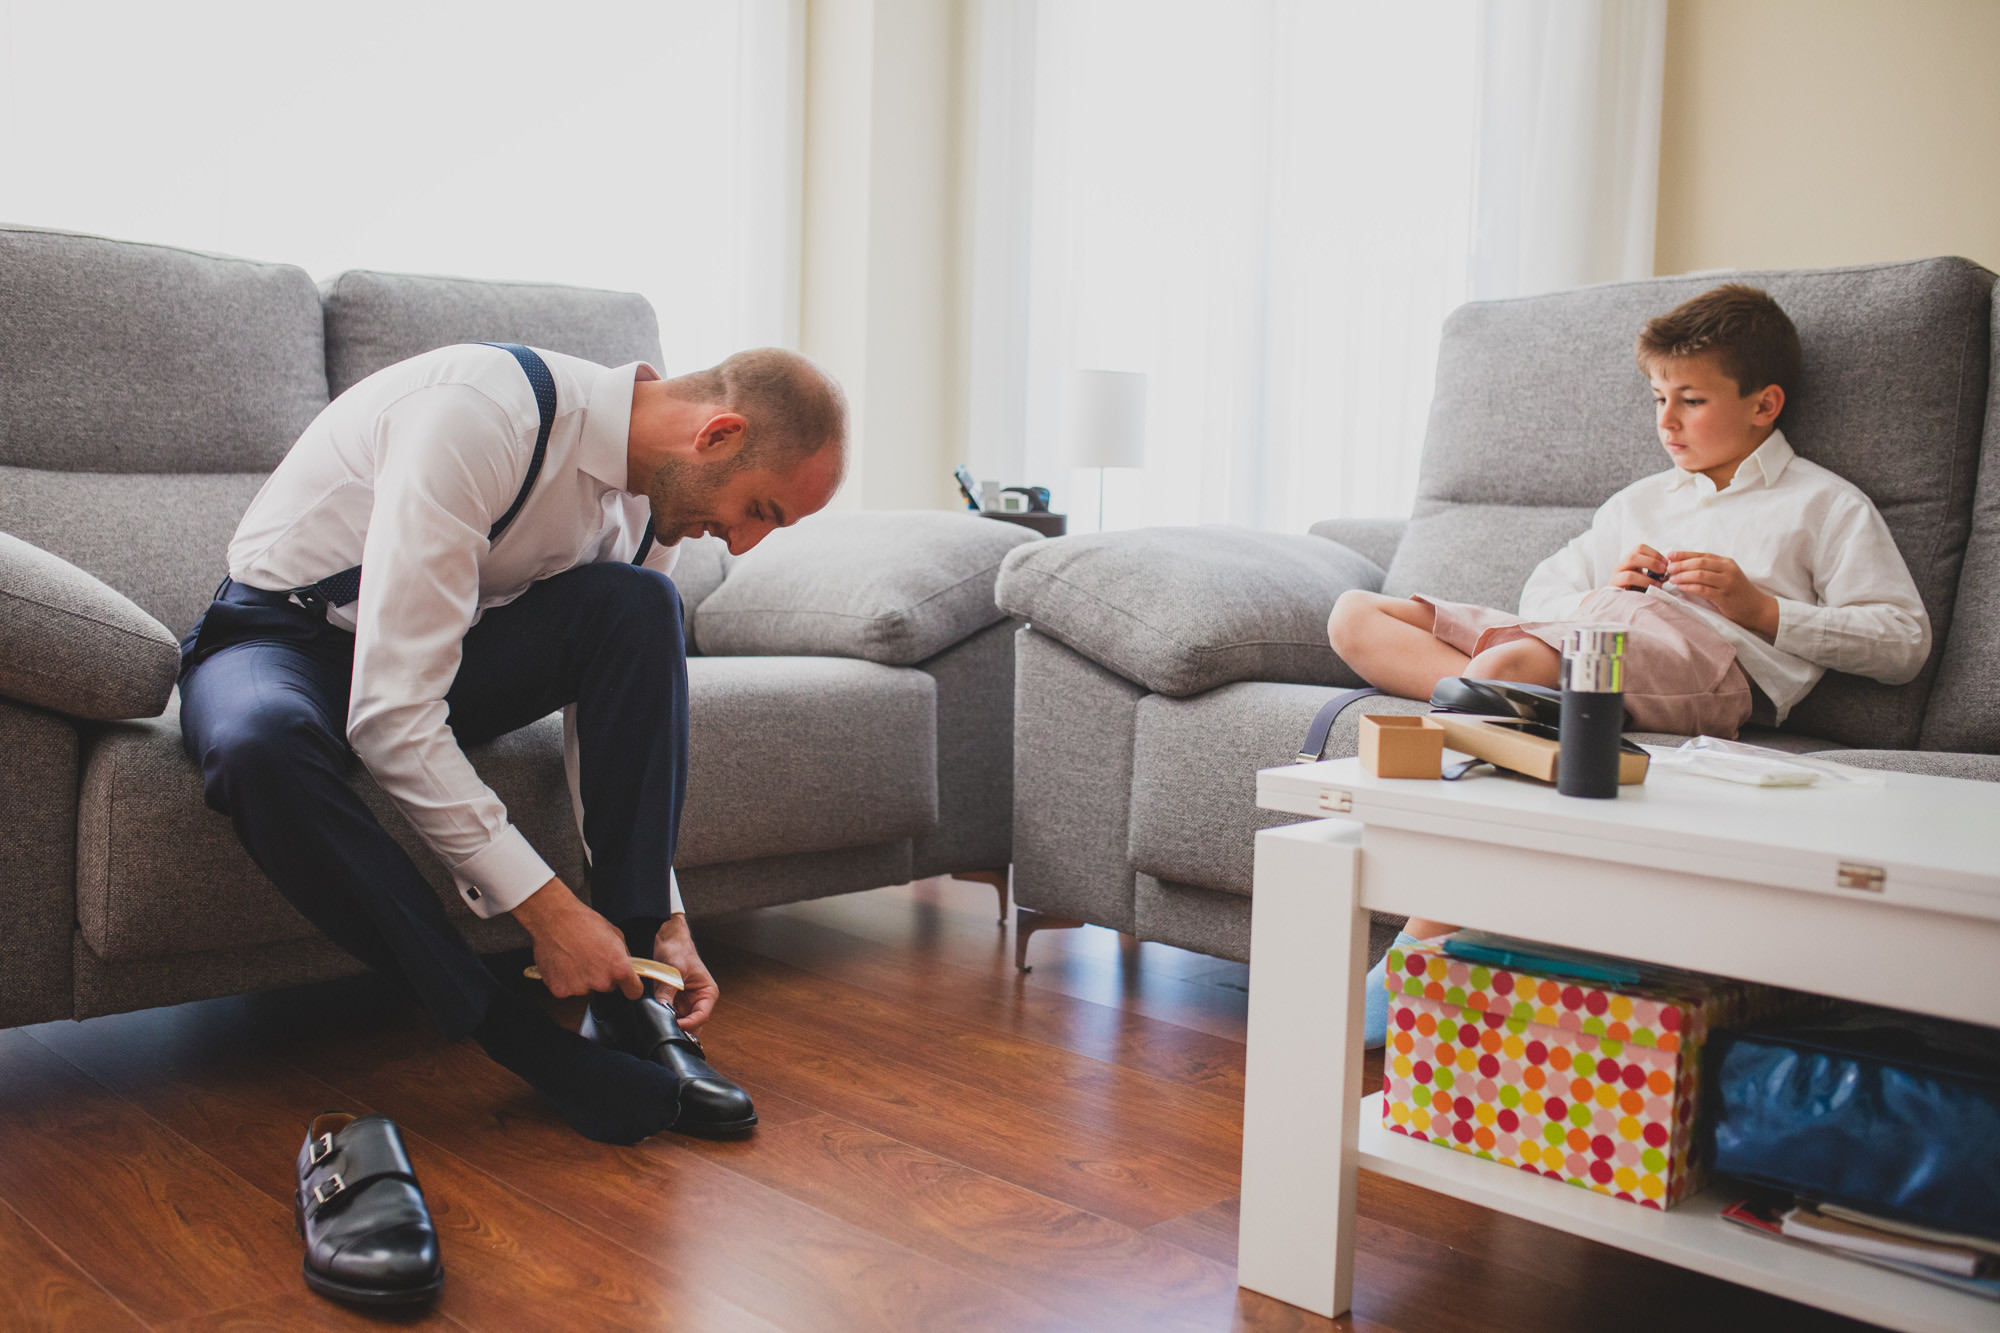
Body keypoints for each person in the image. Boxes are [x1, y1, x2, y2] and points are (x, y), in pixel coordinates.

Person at [179, 341, 846, 1144]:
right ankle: (517, 1037)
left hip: (448, 651)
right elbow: (391, 714)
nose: (740, 545)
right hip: (281, 640)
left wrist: (666, 916)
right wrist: (548, 910)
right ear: (718, 435)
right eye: (761, 511)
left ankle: (632, 998)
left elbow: (602, 715)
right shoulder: (484, 415)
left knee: (641, 606)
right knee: (259, 748)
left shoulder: (650, 509)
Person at [1326, 284, 1930, 1046]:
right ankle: (1515, 703)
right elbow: (1542, 592)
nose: (1666, 421)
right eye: (1657, 398)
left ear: (1764, 404)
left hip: (1705, 657)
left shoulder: (1824, 506)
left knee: (1509, 663)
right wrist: (1603, 589)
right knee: (1355, 615)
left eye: (1690, 400)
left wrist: (1762, 609)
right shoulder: (1637, 503)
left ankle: (1413, 947)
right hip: (1588, 627)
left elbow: (1904, 639)